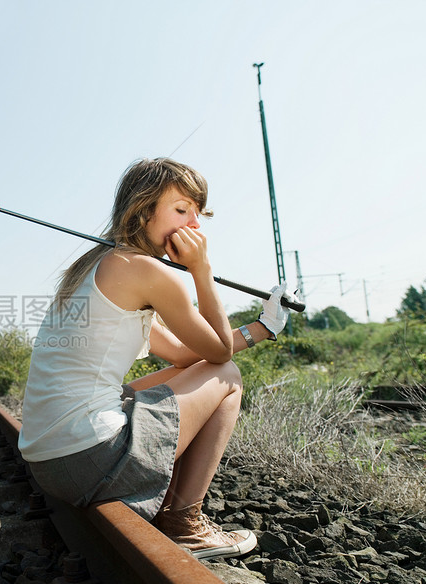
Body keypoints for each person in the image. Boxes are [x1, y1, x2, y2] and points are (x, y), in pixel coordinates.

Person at [19, 157, 292, 560]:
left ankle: (174, 513)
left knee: (182, 376)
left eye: (197, 215)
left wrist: (262, 327)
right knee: (228, 375)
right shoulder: (145, 270)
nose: (194, 226)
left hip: (51, 464)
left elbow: (187, 355)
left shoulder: (95, 267)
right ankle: (186, 524)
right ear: (144, 210)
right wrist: (201, 270)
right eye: (182, 210)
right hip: (89, 460)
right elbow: (217, 354)